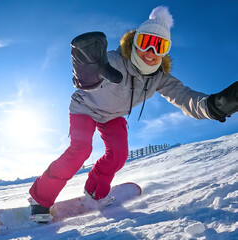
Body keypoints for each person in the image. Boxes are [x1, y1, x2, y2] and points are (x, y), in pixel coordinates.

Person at [28, 6, 238, 223]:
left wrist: (213, 105)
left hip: (113, 115)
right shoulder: (116, 61)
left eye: (159, 46)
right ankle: (40, 199)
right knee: (80, 150)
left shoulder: (160, 77)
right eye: (145, 42)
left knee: (119, 153)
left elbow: (185, 97)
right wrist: (89, 72)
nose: (150, 52)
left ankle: (94, 194)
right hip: (86, 108)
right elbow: (91, 73)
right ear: (135, 42)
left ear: (165, 51)